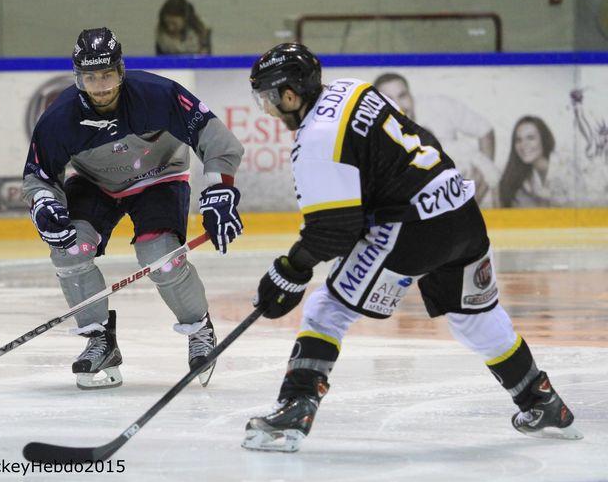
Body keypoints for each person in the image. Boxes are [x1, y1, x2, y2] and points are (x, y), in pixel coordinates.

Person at [241, 43, 582, 452]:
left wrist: (289, 271)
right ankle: (541, 400)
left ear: (291, 95)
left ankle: (295, 410)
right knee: (475, 319)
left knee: (326, 308)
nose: (269, 109)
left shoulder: (315, 139)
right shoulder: (352, 88)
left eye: (269, 98)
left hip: (412, 227)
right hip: (461, 210)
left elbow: (334, 230)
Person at [22, 27, 243, 390]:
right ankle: (99, 339)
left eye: (107, 75)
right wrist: (45, 203)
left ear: (121, 70)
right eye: (91, 77)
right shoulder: (59, 118)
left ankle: (198, 327)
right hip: (97, 184)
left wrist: (220, 189)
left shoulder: (159, 94)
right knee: (69, 248)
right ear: (78, 77)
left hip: (159, 179)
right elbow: (38, 176)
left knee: (161, 255)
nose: (101, 86)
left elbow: (214, 138)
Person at [374, 72, 498, 206]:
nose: (398, 106)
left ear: (411, 95)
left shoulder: (439, 107)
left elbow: (485, 131)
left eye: (402, 96)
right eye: (389, 99)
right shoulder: (373, 134)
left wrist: (477, 192)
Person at [498, 116, 565, 207]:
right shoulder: (524, 175)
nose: (523, 145)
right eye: (518, 140)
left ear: (544, 139)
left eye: (530, 138)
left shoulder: (565, 170)